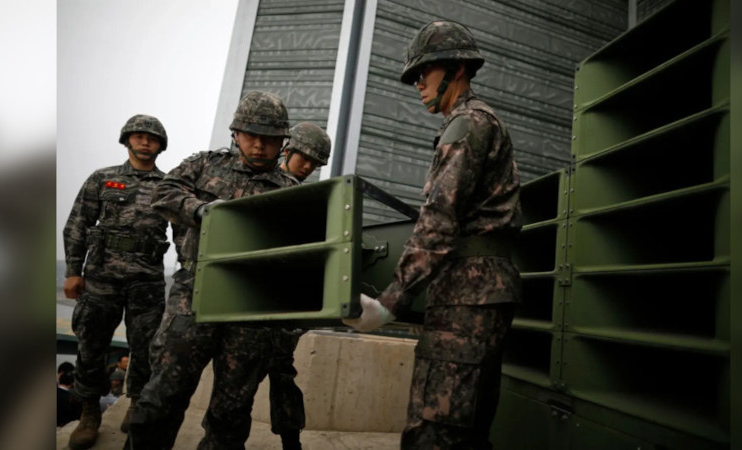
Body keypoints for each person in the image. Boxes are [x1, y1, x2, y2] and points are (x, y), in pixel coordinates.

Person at [343, 20, 522, 449]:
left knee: (435, 430)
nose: (418, 83)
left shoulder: (467, 125)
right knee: (467, 428)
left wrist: (389, 304)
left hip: (468, 294)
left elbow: (438, 222)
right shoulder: (475, 123)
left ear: (457, 69)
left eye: (425, 72)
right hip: (477, 292)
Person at [127, 91, 300, 450]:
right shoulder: (205, 165)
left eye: (269, 138)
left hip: (252, 306)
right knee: (162, 395)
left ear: (282, 142)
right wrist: (201, 210)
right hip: (195, 293)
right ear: (235, 133)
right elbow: (165, 193)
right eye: (251, 135)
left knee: (232, 410)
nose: (259, 145)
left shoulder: (291, 192)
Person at [62, 114, 181, 449]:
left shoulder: (170, 185)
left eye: (152, 138)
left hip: (147, 281)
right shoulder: (102, 178)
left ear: (160, 145)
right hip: (101, 278)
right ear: (127, 140)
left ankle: (138, 405)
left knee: (147, 348)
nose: (145, 142)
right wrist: (73, 270)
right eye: (139, 136)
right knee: (91, 343)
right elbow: (77, 224)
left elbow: (184, 232)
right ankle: (89, 413)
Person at [272, 121, 331, 449]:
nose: (307, 166)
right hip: (252, 306)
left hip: (287, 307)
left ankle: (291, 443)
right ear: (287, 150)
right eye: (303, 158)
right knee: (236, 386)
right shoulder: (262, 183)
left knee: (283, 377)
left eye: (314, 162)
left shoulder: (312, 198)